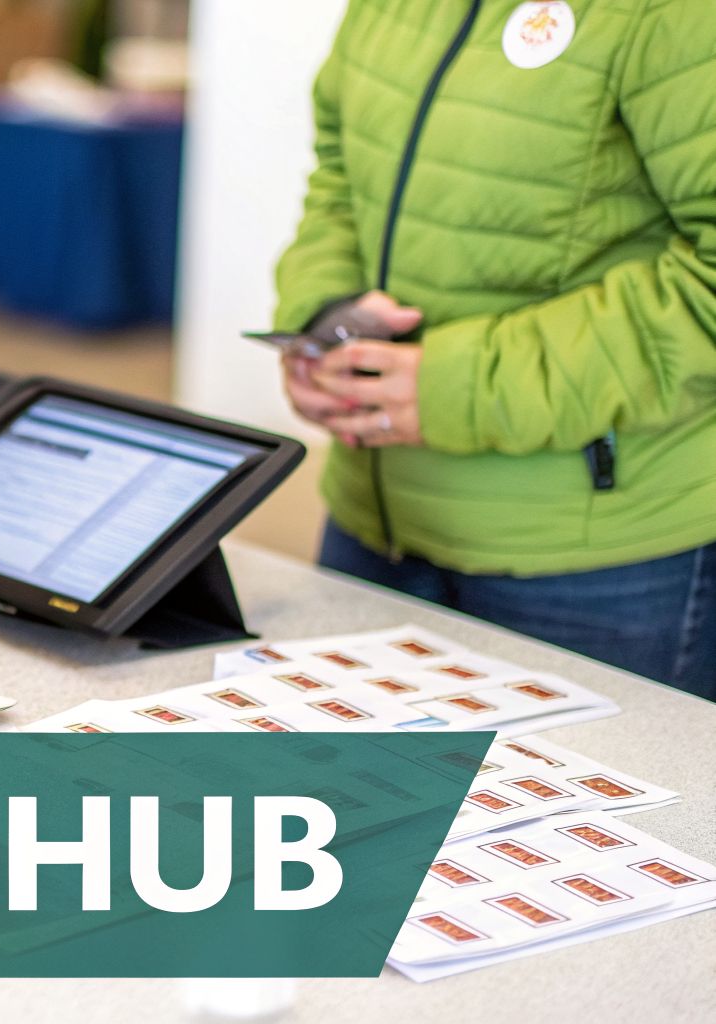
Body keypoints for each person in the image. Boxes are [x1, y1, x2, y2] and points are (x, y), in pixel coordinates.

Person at [273, 0, 716, 700]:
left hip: (592, 561)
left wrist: (461, 386)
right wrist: (322, 321)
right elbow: (339, 173)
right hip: (375, 518)